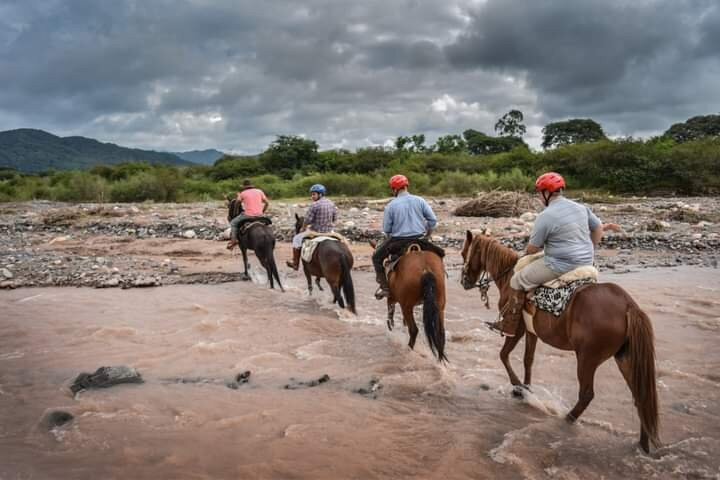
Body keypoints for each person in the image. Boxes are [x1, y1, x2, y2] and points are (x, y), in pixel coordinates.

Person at [487, 172, 603, 337]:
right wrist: (590, 248)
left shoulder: (545, 216)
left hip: (560, 264)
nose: (539, 197)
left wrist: (525, 254)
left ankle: (509, 326)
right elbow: (598, 228)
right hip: (586, 261)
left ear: (546, 193)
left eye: (539, 193)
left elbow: (533, 249)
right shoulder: (580, 207)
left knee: (516, 280)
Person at [372, 174, 438, 299]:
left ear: (394, 189)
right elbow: (432, 220)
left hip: (399, 241)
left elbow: (387, 230)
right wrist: (427, 235)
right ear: (406, 186)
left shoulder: (391, 205)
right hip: (420, 239)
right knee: (439, 254)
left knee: (376, 258)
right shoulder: (420, 200)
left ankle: (385, 288)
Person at [286, 184, 337, 270]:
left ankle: (295, 263)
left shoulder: (314, 205)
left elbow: (307, 220)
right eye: (312, 194)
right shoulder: (331, 203)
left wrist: (303, 228)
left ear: (320, 194)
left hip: (316, 232)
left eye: (314, 194)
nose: (312, 196)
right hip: (329, 232)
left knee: (296, 239)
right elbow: (335, 219)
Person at [227, 179, 270, 250]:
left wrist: (235, 213)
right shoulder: (259, 191)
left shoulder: (242, 193)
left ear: (244, 187)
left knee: (233, 223)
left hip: (248, 215)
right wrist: (262, 211)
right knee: (268, 223)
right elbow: (267, 203)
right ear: (252, 186)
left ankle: (233, 241)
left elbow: (237, 203)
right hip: (260, 215)